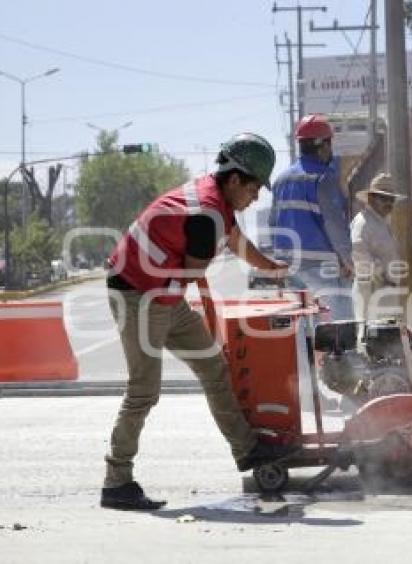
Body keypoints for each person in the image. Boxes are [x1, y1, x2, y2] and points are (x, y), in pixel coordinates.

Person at [100, 133, 297, 511]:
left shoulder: (215, 201)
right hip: (137, 293)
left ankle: (248, 450)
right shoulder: (207, 212)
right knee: (143, 392)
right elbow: (195, 271)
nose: (256, 197)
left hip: (163, 294)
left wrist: (272, 268)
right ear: (235, 179)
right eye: (255, 189)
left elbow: (238, 243)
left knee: (212, 366)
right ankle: (116, 481)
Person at [270, 114, 354, 320]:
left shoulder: (280, 181)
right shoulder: (322, 178)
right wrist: (348, 260)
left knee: (301, 329)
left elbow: (273, 224)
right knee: (338, 328)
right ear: (323, 146)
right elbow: (334, 224)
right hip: (320, 268)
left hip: (288, 268)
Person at [350, 173, 407, 321]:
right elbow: (359, 253)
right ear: (371, 199)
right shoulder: (363, 223)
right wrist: (382, 276)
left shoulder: (381, 223)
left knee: (386, 336)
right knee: (371, 337)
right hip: (372, 290)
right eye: (383, 198)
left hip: (385, 291)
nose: (389, 203)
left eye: (391, 199)